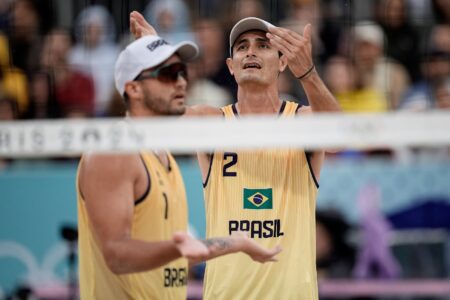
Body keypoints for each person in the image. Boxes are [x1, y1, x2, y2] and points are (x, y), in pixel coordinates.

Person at [131, 12, 341, 299]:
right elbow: (154, 118)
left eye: (262, 45)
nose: (251, 51)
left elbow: (341, 137)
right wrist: (151, 58)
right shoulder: (211, 122)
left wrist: (307, 72)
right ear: (230, 66)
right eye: (242, 47)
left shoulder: (300, 122)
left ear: (283, 62)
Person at [76, 32, 281, 299]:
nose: (181, 82)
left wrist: (235, 243)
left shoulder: (164, 157)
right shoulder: (114, 151)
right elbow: (117, 256)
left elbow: (168, 258)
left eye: (182, 72)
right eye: (168, 74)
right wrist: (179, 249)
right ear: (134, 88)